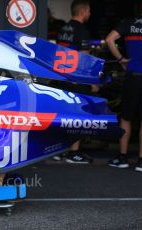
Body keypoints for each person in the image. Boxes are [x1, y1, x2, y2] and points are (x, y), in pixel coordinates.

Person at [106, 0, 142, 172]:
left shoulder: (127, 22)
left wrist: (121, 59)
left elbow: (109, 40)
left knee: (126, 118)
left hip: (133, 76)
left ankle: (122, 157)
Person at [54, 0, 97, 164]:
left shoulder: (62, 29)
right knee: (78, 116)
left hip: (62, 77)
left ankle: (60, 150)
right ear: (83, 11)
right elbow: (85, 59)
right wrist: (93, 81)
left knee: (64, 115)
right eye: (89, 11)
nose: (90, 14)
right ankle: (73, 152)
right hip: (76, 80)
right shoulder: (83, 31)